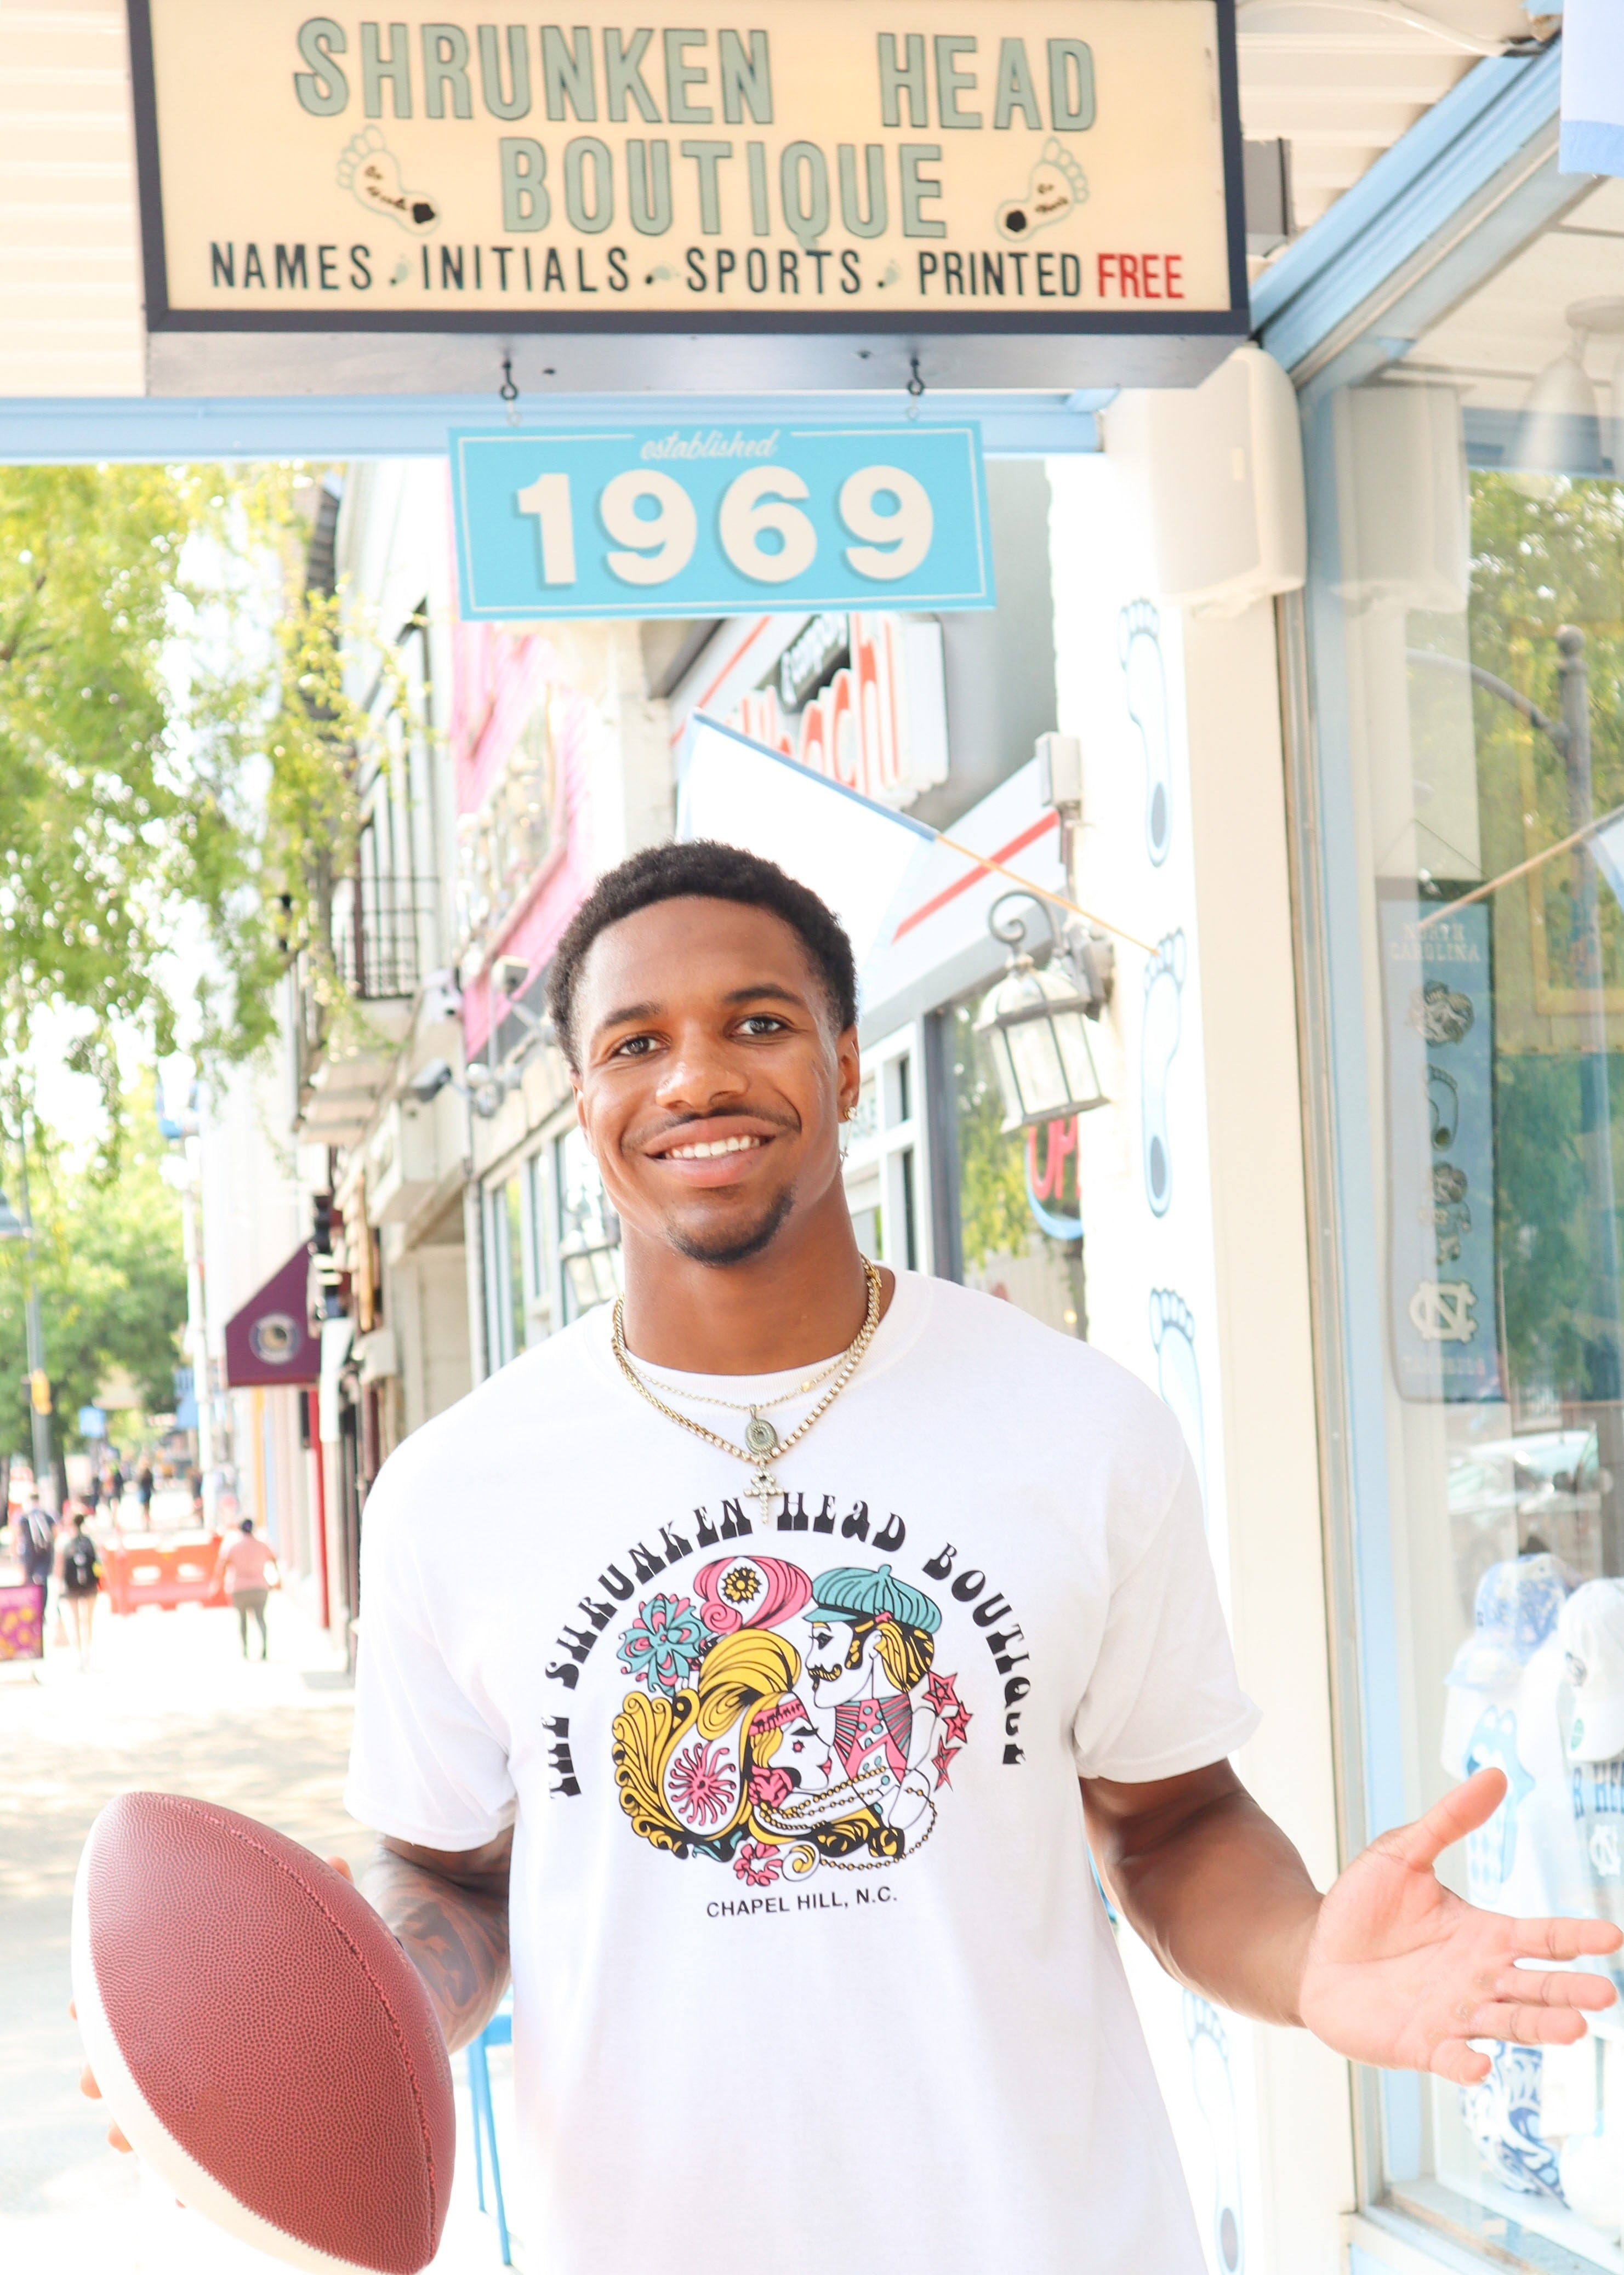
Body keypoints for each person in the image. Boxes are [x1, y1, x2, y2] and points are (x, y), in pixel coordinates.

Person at [82, 845, 1624, 2271]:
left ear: (842, 1062)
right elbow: (449, 1871)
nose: (695, 1072)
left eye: (755, 1019)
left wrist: (1303, 1958)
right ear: (579, 1100)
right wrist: (348, 2028)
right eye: (634, 1040)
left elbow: (1168, 1816)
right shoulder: (451, 1491)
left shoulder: (1080, 1427)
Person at [215, 1517, 275, 1660]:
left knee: (242, 1621)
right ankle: (264, 1648)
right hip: (260, 1587)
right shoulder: (262, 1546)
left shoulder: (234, 1547)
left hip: (239, 1589)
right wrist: (276, 1581)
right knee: (261, 1619)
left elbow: (222, 1566)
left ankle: (246, 1650)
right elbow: (274, 1561)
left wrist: (217, 1585)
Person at [57, 1510, 101, 1670]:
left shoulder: (64, 1542)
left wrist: (59, 1586)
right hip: (90, 1585)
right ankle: (88, 1654)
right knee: (88, 1621)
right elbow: (99, 1564)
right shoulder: (91, 1540)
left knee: (75, 1621)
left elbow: (59, 1567)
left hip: (72, 1586)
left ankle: (79, 1656)